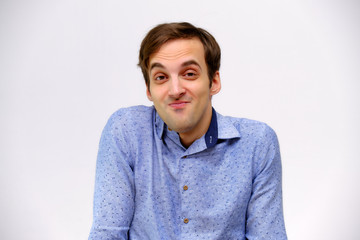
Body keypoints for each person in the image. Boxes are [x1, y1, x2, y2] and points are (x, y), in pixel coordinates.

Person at [89, 22, 287, 240]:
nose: (175, 90)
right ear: (149, 90)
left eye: (189, 73)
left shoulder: (257, 143)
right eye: (161, 77)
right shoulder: (126, 131)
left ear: (214, 81)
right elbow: (106, 234)